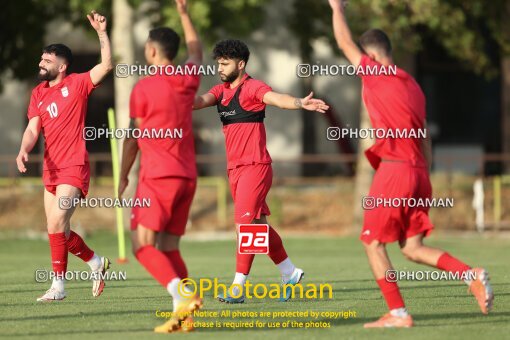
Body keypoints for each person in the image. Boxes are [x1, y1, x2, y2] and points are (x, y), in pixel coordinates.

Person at [328, 0, 494, 328]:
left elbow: (344, 43)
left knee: (372, 242)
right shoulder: (414, 86)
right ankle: (470, 274)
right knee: (413, 248)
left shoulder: (376, 74)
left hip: (395, 171)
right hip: (419, 172)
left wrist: (337, 8)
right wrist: (421, 175)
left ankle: (398, 313)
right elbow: (426, 138)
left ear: (371, 57)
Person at [193, 39, 329, 303]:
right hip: (234, 170)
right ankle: (289, 272)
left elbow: (277, 98)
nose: (220, 68)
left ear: (241, 64)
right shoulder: (220, 92)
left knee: (243, 227)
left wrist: (300, 102)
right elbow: (198, 101)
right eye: (218, 63)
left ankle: (237, 288)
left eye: (225, 63)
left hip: (255, 168)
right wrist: (174, 96)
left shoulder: (254, 88)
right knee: (257, 228)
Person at [16, 11, 113, 302]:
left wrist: (101, 32)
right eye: (41, 59)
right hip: (51, 168)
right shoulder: (38, 93)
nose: (41, 63)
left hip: (74, 165)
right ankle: (96, 263)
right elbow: (34, 129)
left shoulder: (79, 84)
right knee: (57, 229)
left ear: (63, 65)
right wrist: (24, 149)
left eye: (47, 60)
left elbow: (107, 64)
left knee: (57, 223)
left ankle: (58, 287)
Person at [118, 0, 202, 333]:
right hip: (188, 177)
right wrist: (184, 14)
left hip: (158, 177)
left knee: (142, 246)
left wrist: (124, 174)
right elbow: (197, 52)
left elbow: (132, 137)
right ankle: (184, 316)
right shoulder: (188, 79)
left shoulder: (143, 88)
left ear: (152, 51)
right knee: (168, 248)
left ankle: (183, 296)